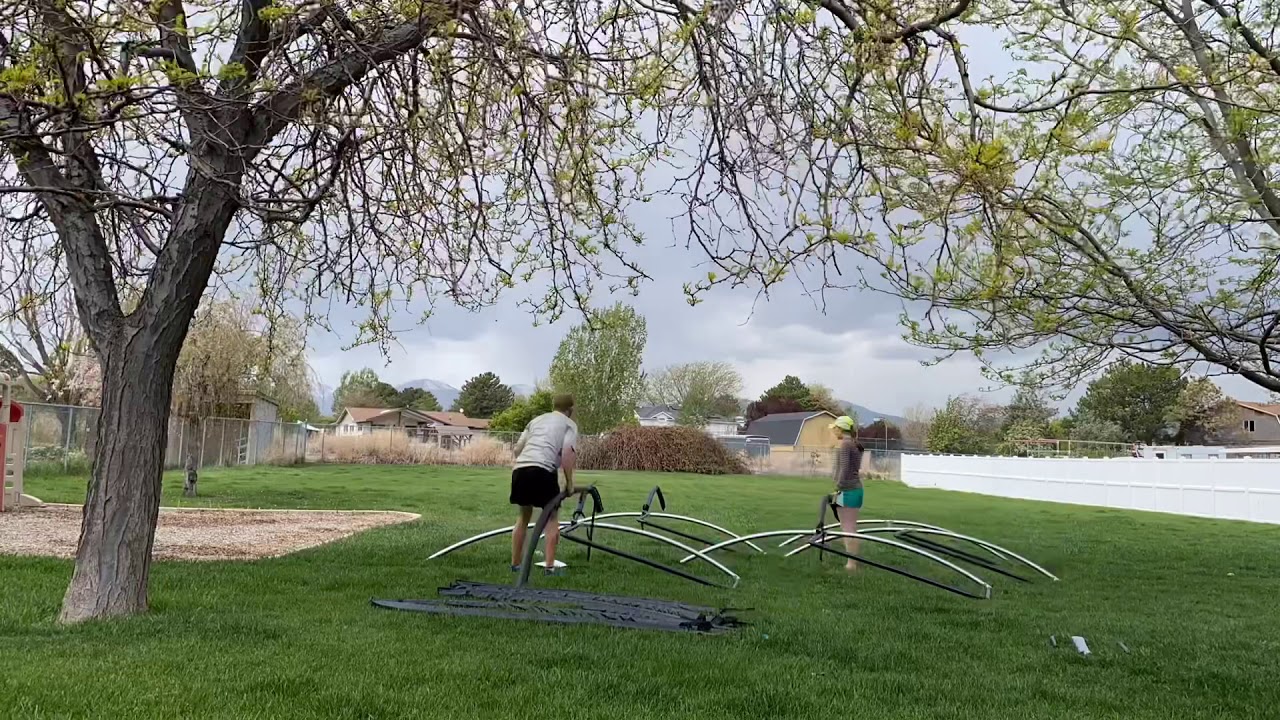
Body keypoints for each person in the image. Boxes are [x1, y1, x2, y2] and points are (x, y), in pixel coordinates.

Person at [509, 394, 579, 575]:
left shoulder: (536, 420)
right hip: (543, 471)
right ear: (570, 409)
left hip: (521, 470)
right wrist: (570, 483)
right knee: (551, 518)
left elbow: (517, 449)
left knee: (523, 516)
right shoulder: (569, 424)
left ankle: (516, 564)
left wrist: (526, 463)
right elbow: (567, 455)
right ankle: (549, 567)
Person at [829, 415, 865, 572]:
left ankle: (852, 564)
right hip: (853, 490)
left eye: (834, 428)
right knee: (847, 526)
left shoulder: (845, 444)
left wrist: (838, 487)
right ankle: (851, 562)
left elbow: (844, 468)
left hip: (848, 490)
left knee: (848, 527)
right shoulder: (853, 444)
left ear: (840, 429)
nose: (833, 432)